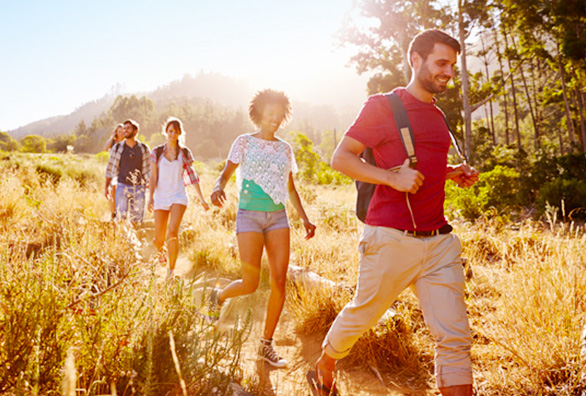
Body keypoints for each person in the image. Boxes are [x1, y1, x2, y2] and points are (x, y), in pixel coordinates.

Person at [310, 30, 479, 396]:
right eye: (440, 63)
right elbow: (340, 158)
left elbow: (420, 169)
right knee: (362, 314)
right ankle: (325, 362)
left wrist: (453, 174)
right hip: (389, 239)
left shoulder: (437, 115)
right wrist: (390, 178)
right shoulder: (382, 106)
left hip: (439, 244)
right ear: (415, 60)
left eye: (452, 65)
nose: (448, 72)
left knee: (455, 339)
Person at [208, 89, 316, 368]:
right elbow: (226, 174)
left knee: (279, 281)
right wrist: (218, 187)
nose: (275, 120)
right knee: (251, 282)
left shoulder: (285, 149)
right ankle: (218, 296)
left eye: (280, 116)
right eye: (270, 115)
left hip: (278, 218)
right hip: (249, 218)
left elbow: (290, 187)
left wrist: (304, 217)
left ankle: (265, 345)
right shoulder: (243, 142)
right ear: (258, 114)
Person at [148, 117, 210, 280]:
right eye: (170, 131)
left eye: (176, 131)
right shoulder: (157, 152)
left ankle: (171, 272)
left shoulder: (184, 153)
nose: (172, 134)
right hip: (161, 197)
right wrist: (150, 198)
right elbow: (153, 177)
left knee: (173, 231)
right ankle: (161, 252)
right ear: (166, 132)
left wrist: (202, 199)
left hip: (178, 196)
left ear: (179, 133)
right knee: (159, 238)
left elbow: (193, 177)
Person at [105, 119, 151, 225]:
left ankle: (135, 239)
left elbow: (148, 170)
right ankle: (121, 241)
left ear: (135, 132)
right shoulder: (117, 148)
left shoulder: (144, 148)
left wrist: (149, 182)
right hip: (122, 187)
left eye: (128, 128)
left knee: (137, 220)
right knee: (121, 219)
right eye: (124, 128)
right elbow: (110, 168)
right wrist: (106, 186)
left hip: (139, 188)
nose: (125, 130)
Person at [104, 123, 125, 220]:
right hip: (113, 169)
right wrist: (112, 137)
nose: (121, 133)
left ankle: (121, 213)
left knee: (121, 191)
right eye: (118, 131)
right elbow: (105, 149)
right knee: (112, 190)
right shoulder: (113, 142)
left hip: (123, 168)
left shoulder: (126, 142)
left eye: (122, 131)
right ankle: (113, 214)